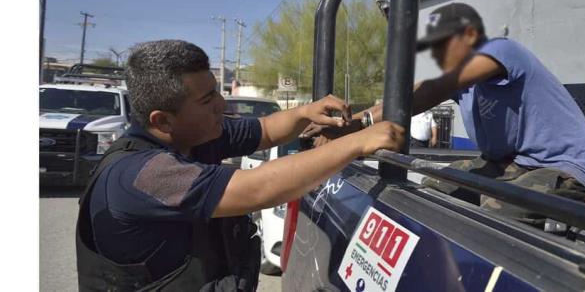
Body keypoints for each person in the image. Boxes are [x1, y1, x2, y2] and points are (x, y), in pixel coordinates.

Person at [75, 40, 404, 291]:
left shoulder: (193, 136)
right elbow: (258, 188)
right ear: (162, 121)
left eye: (216, 92)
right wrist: (358, 142)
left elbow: (265, 130)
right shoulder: (143, 174)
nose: (221, 104)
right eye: (207, 101)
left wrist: (305, 112)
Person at [303, 3, 585, 225]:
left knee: (498, 208)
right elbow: (403, 99)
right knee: (434, 186)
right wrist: (348, 125)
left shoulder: (501, 52)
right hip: (516, 164)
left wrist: (357, 126)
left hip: (565, 169)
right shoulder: (461, 83)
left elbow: (433, 89)